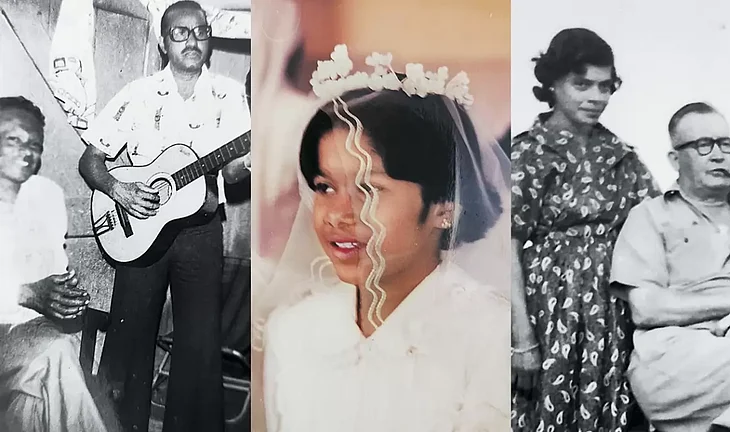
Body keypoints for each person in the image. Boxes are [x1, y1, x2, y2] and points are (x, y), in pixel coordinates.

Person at [261, 45, 511, 432]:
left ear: (445, 207)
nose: (339, 214)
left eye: (370, 190)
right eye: (325, 187)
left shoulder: (489, 336)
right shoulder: (293, 329)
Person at [77, 1, 251, 431]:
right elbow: (91, 160)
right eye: (181, 32)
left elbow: (232, 171)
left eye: (201, 31)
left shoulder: (229, 94)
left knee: (199, 346)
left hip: (202, 232)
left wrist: (246, 163)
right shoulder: (138, 94)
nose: (193, 40)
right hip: (138, 228)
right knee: (128, 341)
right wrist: (120, 190)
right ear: (163, 41)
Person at [510, 28, 660, 431]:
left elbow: (659, 223)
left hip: (612, 315)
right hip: (548, 312)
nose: (596, 97)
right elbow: (506, 246)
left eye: (604, 86)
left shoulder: (622, 156)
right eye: (581, 84)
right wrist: (521, 339)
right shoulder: (529, 152)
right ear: (553, 83)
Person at [610, 102, 730, 432]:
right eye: (703, 145)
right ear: (674, 159)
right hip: (674, 356)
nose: (718, 155)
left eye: (725, 143)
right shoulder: (650, 217)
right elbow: (645, 308)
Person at [0, 96, 111, 431]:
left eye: (35, 144)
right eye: (13, 140)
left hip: (31, 332)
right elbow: (30, 292)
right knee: (57, 357)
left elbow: (54, 271)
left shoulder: (47, 196)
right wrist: (24, 292)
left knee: (32, 403)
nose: (27, 152)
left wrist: (66, 296)